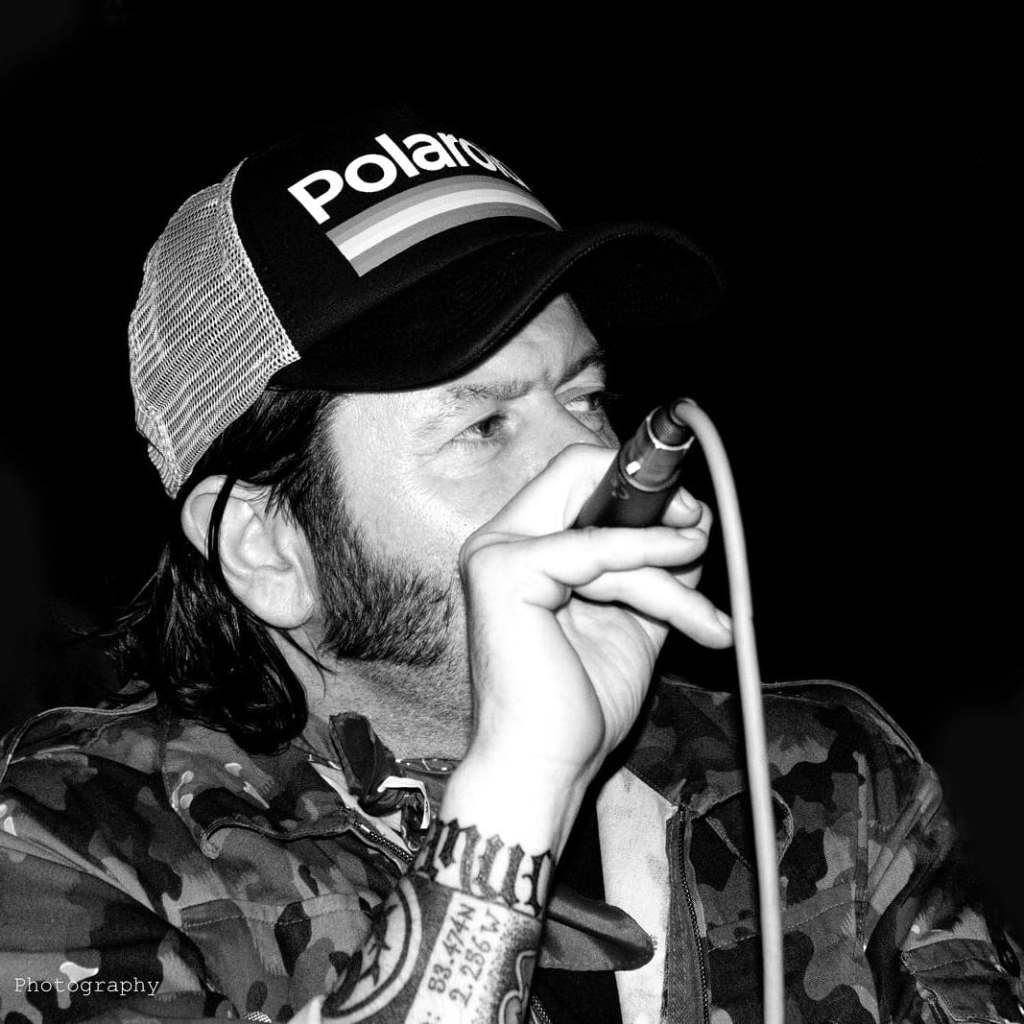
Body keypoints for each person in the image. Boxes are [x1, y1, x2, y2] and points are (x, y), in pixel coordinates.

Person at [0, 106, 1020, 1024]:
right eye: (483, 426)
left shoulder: (833, 780)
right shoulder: (71, 843)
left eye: (586, 398)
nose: (590, 464)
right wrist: (522, 787)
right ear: (268, 548)